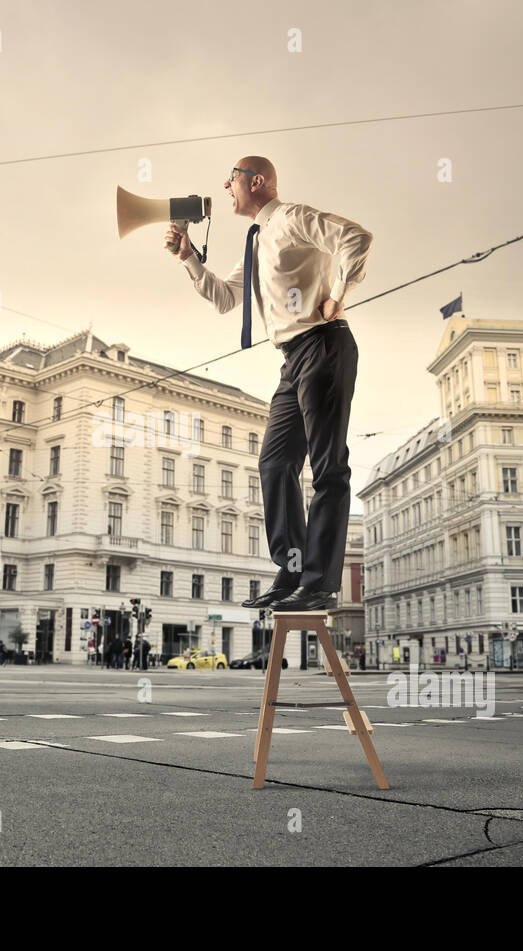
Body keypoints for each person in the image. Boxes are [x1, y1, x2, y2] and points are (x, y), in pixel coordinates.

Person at [167, 156, 372, 611]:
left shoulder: (293, 218)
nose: (226, 184)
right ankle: (294, 568)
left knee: (327, 470)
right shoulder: (256, 242)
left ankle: (320, 584)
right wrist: (189, 260)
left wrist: (338, 296)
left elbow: (356, 238)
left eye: (233, 177)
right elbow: (224, 299)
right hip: (292, 359)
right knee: (275, 465)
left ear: (257, 182)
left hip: (323, 343)